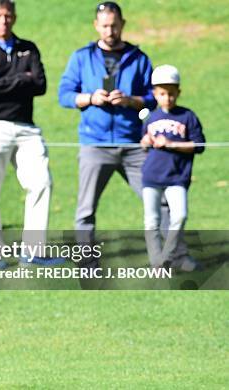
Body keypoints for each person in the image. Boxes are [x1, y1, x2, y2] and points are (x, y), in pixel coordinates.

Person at [58, 1, 159, 267]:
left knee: (158, 202)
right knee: (85, 210)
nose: (110, 30)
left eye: (114, 25)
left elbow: (154, 98)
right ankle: (87, 263)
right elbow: (64, 95)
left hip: (133, 144)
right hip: (95, 144)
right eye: (105, 25)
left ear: (122, 24)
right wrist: (90, 98)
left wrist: (130, 100)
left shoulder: (139, 58)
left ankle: (168, 256)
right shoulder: (82, 57)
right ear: (96, 26)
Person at [0, 0, 63, 268]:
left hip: (25, 127)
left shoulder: (28, 48)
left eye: (8, 15)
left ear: (14, 17)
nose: (4, 21)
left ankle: (33, 251)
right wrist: (23, 78)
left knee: (42, 182)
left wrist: (1, 80)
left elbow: (41, 84)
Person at [140, 65, 205, 271]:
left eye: (171, 93)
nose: (167, 98)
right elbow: (144, 143)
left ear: (178, 92)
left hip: (177, 177)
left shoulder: (187, 116)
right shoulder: (150, 117)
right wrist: (146, 141)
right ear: (155, 94)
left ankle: (167, 256)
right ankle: (156, 263)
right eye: (162, 93)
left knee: (180, 215)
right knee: (151, 221)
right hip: (151, 176)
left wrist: (170, 143)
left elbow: (199, 145)